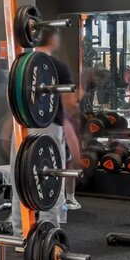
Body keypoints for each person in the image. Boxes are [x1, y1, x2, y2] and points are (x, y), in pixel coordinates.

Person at [37, 28, 81, 212]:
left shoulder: (21, 63)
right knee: (55, 170)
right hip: (51, 126)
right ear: (53, 39)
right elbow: (69, 104)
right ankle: (53, 218)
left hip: (25, 126)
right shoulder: (59, 67)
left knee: (27, 171)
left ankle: (21, 221)